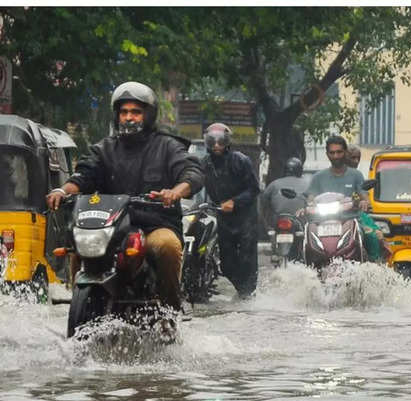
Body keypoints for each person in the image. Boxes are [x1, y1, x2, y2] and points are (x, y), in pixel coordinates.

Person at [45, 81, 204, 311]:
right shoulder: (104, 149)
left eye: (136, 112)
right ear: (117, 116)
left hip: (154, 226)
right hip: (111, 228)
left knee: (168, 246)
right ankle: (78, 301)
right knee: (80, 248)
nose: (129, 117)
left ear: (148, 115)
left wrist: (175, 192)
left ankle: (170, 310)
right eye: (124, 112)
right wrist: (62, 190)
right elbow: (83, 176)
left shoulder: (167, 146)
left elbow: (192, 172)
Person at [201, 122, 260, 299]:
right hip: (223, 217)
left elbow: (254, 189)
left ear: (227, 142)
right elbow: (194, 182)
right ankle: (242, 290)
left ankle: (248, 295)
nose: (217, 146)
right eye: (213, 142)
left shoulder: (240, 160)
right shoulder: (204, 164)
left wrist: (235, 202)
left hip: (245, 218)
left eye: (220, 141)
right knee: (226, 264)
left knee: (247, 258)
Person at [305, 135, 368, 210]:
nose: (336, 156)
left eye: (339, 152)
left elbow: (364, 196)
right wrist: (308, 206)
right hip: (323, 219)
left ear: (345, 152)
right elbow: (310, 200)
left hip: (350, 218)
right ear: (327, 154)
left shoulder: (356, 175)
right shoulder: (318, 177)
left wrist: (364, 201)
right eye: (332, 153)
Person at [260, 157, 308, 229]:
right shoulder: (307, 184)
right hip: (300, 220)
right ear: (300, 170)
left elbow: (263, 200)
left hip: (277, 220)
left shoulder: (274, 184)